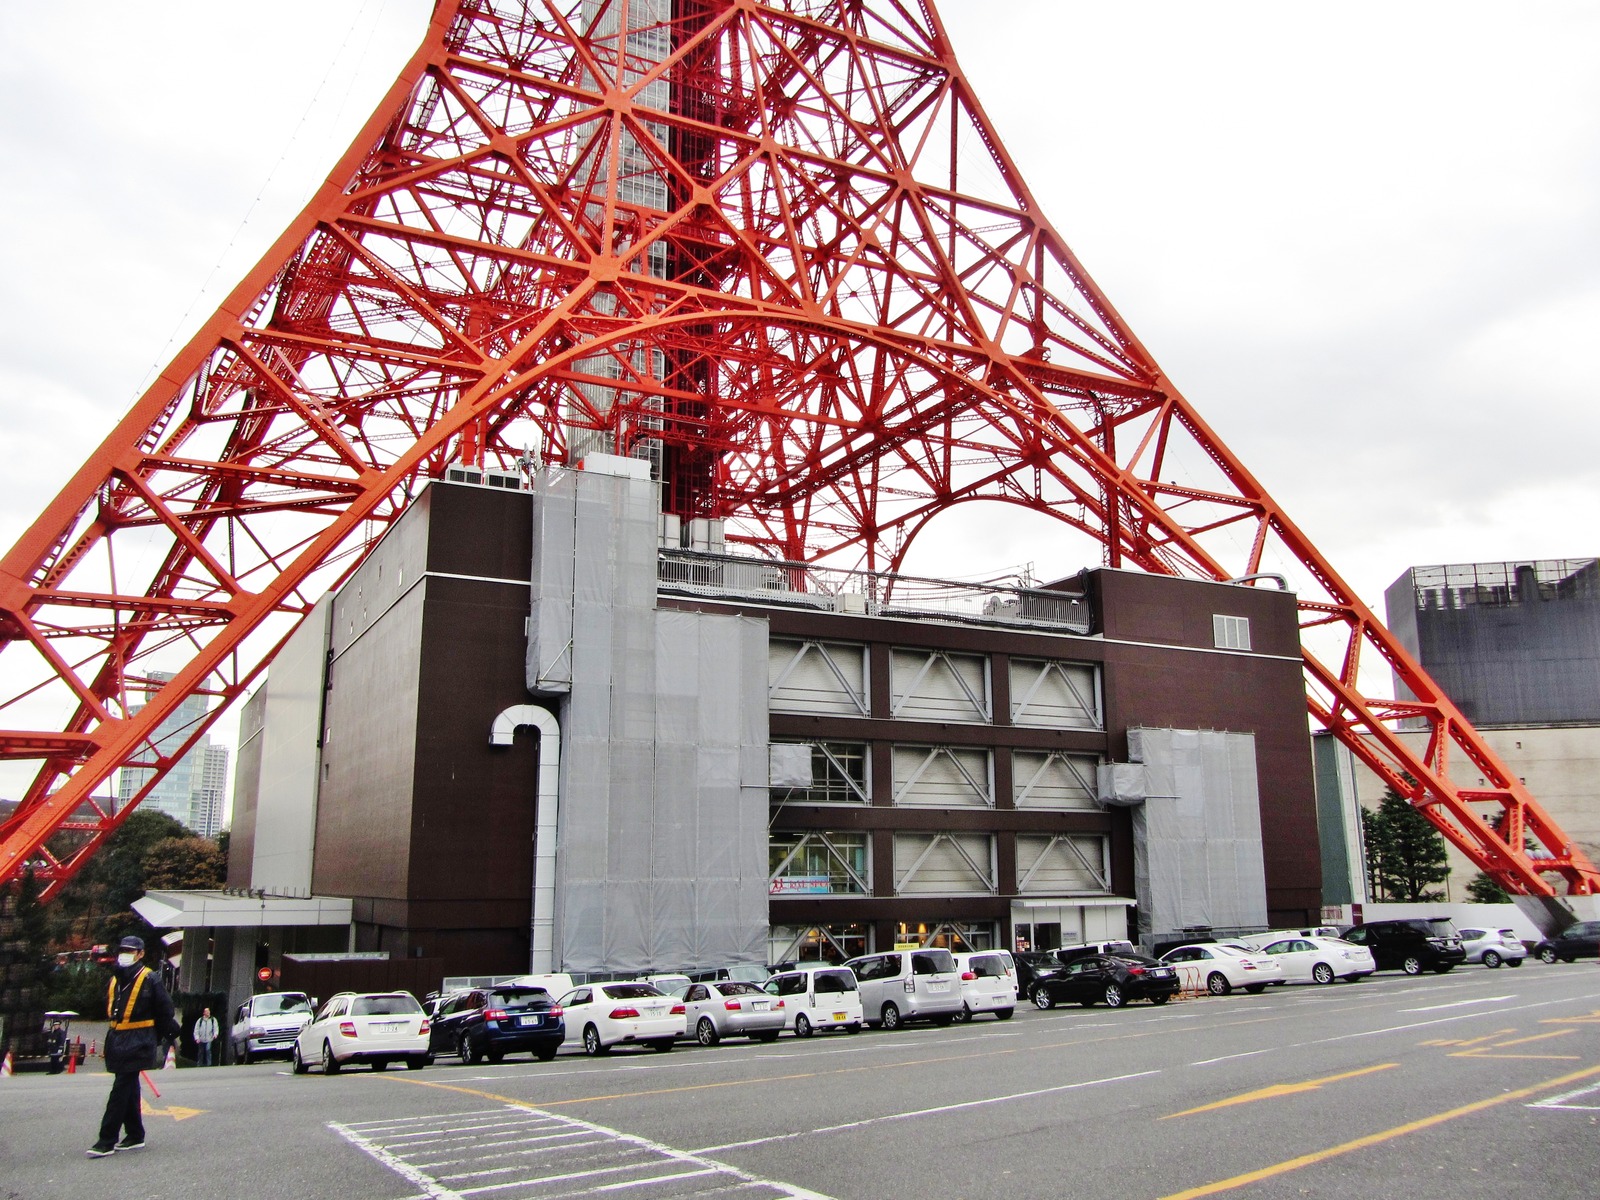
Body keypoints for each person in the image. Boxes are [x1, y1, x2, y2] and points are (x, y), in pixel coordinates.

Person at [88, 935, 180, 1159]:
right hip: (118, 1038)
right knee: (128, 1086)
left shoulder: (150, 978)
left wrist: (164, 1037)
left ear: (141, 954)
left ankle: (107, 1139)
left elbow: (165, 1010)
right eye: (123, 950)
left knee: (120, 1088)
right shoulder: (115, 979)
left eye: (130, 951)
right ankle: (135, 1135)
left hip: (139, 1039)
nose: (125, 954)